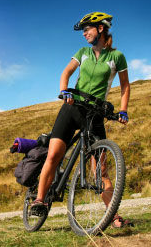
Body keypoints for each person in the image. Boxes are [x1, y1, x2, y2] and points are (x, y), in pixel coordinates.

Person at [31, 12, 132, 228]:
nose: (85, 33)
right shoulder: (83, 52)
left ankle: (112, 215)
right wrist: (64, 91)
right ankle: (39, 199)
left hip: (95, 114)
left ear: (101, 29)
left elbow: (125, 85)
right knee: (54, 154)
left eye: (88, 28)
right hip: (72, 107)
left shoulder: (117, 57)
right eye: (84, 30)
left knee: (101, 170)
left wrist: (123, 111)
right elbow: (66, 72)